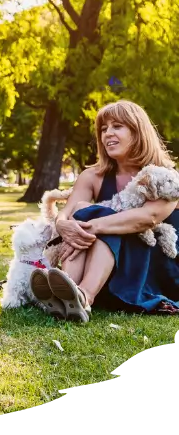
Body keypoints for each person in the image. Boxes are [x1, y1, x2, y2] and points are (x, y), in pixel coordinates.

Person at [32, 100, 178, 321]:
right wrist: (63, 224)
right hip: (110, 265)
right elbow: (69, 211)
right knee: (83, 211)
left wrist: (91, 225)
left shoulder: (165, 177)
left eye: (117, 126)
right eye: (103, 128)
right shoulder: (92, 176)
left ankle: (84, 295)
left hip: (156, 266)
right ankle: (67, 289)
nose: (108, 133)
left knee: (100, 216)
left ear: (138, 132)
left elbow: (147, 218)